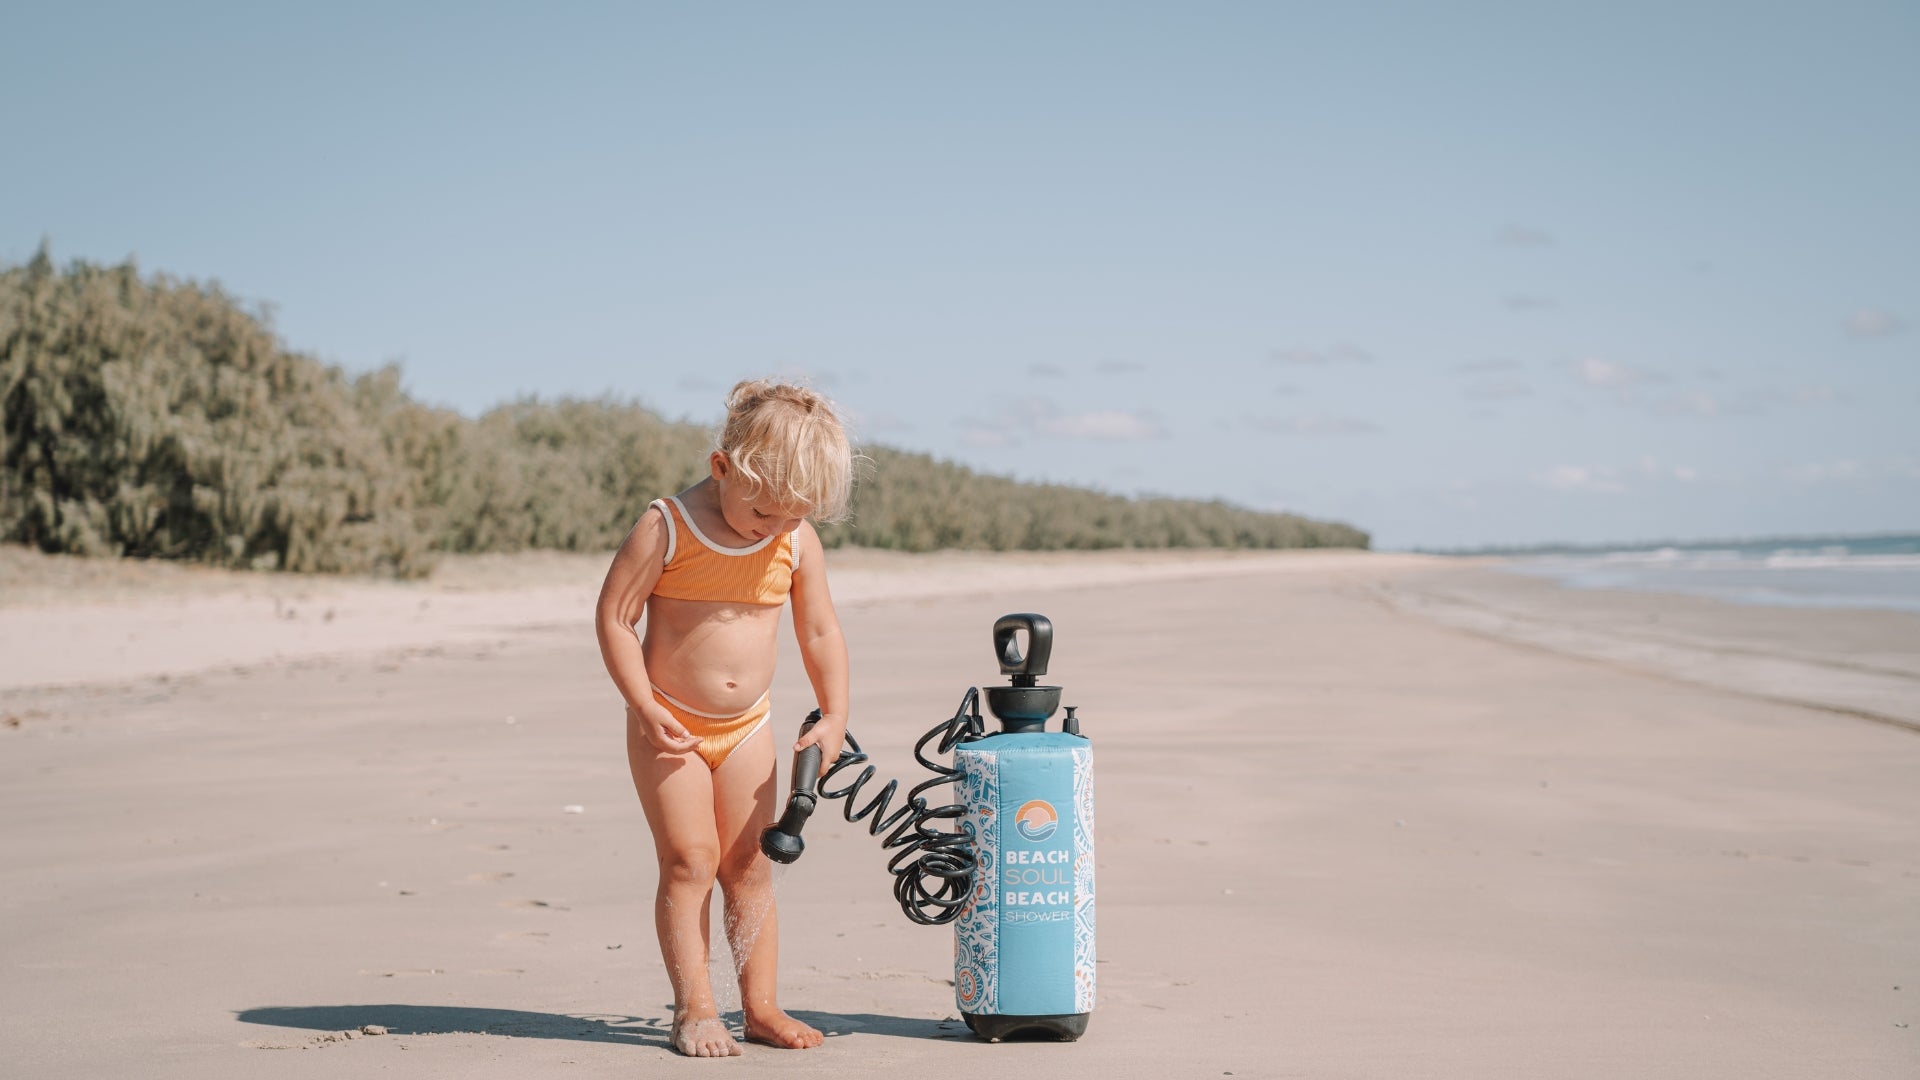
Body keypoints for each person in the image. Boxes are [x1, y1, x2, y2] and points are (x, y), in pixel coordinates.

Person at [595, 379, 855, 1057]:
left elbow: (821, 632)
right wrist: (644, 706)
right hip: (669, 723)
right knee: (690, 861)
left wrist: (833, 714)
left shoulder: (795, 544)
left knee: (749, 865)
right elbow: (616, 618)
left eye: (793, 518)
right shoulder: (667, 526)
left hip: (747, 726)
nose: (774, 528)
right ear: (721, 468)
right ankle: (695, 1009)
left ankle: (761, 1007)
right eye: (764, 512)